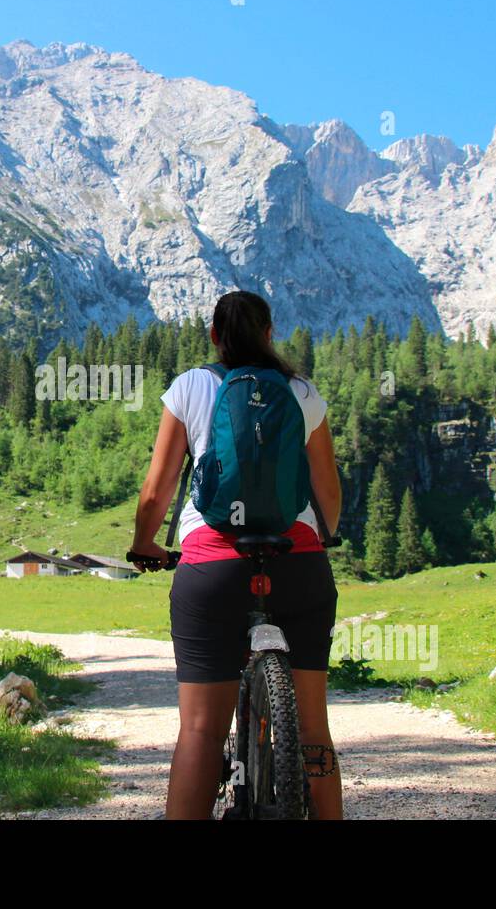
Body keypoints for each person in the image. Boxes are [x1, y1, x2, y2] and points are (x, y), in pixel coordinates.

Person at [129, 291, 344, 819]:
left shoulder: (191, 387)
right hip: (298, 563)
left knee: (201, 730)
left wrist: (144, 545)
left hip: (213, 566)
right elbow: (327, 488)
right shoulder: (302, 393)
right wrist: (327, 535)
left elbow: (157, 490)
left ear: (214, 337)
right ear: (270, 333)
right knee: (313, 728)